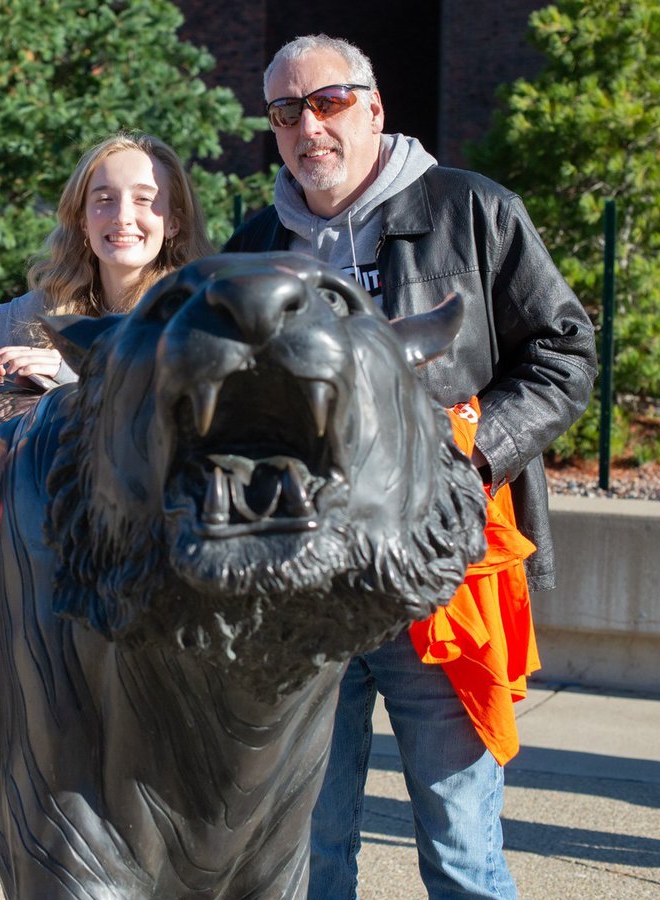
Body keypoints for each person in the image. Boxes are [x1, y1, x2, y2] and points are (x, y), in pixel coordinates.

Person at [224, 34, 597, 899]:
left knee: (461, 848)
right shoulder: (253, 245)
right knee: (307, 853)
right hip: (300, 597)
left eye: (328, 103)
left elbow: (564, 352)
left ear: (375, 108)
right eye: (285, 112)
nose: (307, 126)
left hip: (437, 583)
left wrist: (472, 460)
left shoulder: (474, 211)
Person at [0, 131, 216, 386]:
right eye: (104, 199)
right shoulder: (48, 307)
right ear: (82, 221)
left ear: (173, 223)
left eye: (144, 199)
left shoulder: (199, 310)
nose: (122, 216)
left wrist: (72, 367)